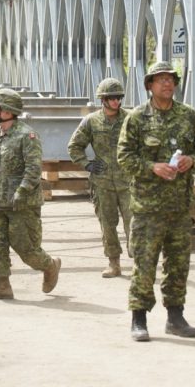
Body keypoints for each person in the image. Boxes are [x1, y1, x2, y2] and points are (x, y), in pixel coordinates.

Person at [117, 61, 195, 342]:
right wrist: (152, 167)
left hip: (179, 206)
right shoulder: (136, 118)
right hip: (147, 208)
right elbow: (124, 157)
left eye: (171, 79)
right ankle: (139, 319)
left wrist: (191, 160)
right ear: (149, 85)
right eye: (160, 80)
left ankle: (175, 317)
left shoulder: (189, 117)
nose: (167, 84)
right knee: (144, 264)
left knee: (178, 264)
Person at [0, 88, 62, 300]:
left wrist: (22, 191)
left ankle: (50, 265)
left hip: (22, 206)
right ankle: (2, 286)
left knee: (27, 250)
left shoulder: (27, 136)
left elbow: (33, 170)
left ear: (7, 111)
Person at [68, 78, 132, 278]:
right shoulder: (91, 121)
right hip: (102, 183)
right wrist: (87, 164)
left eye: (118, 97)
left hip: (129, 182)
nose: (116, 101)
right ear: (103, 99)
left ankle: (140, 261)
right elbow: (74, 146)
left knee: (135, 223)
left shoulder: (131, 119)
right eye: (111, 98)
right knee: (108, 224)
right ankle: (114, 263)